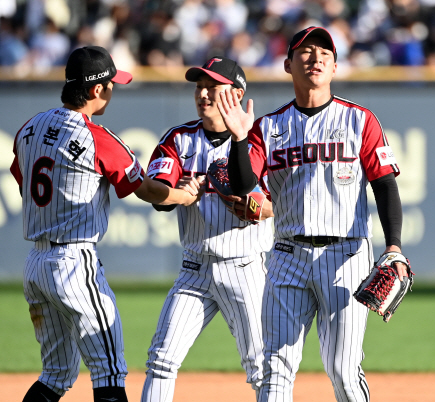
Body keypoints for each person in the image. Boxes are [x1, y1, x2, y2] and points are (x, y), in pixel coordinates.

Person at [218, 26, 409, 401]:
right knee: (275, 368)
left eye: (325, 53)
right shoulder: (269, 126)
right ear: (288, 65)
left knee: (342, 369)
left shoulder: (359, 120)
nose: (316, 58)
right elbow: (242, 184)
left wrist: (395, 246)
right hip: (287, 255)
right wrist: (240, 138)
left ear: (335, 67)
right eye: (305, 52)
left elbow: (385, 184)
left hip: (347, 255)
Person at [10, 46, 198, 402]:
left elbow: (23, 179)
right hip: (74, 263)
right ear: (96, 90)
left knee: (55, 374)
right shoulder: (98, 137)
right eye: (111, 84)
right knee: (109, 370)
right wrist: (184, 196)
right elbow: (145, 190)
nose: (113, 89)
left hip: (34, 264)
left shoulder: (29, 128)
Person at [140, 56, 274, 402]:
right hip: (194, 269)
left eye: (213, 87)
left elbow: (260, 194)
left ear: (238, 93)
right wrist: (180, 195)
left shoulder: (260, 139)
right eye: (200, 86)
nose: (203, 93)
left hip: (244, 267)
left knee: (262, 368)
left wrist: (257, 205)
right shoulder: (179, 139)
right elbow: (159, 196)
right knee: (161, 360)